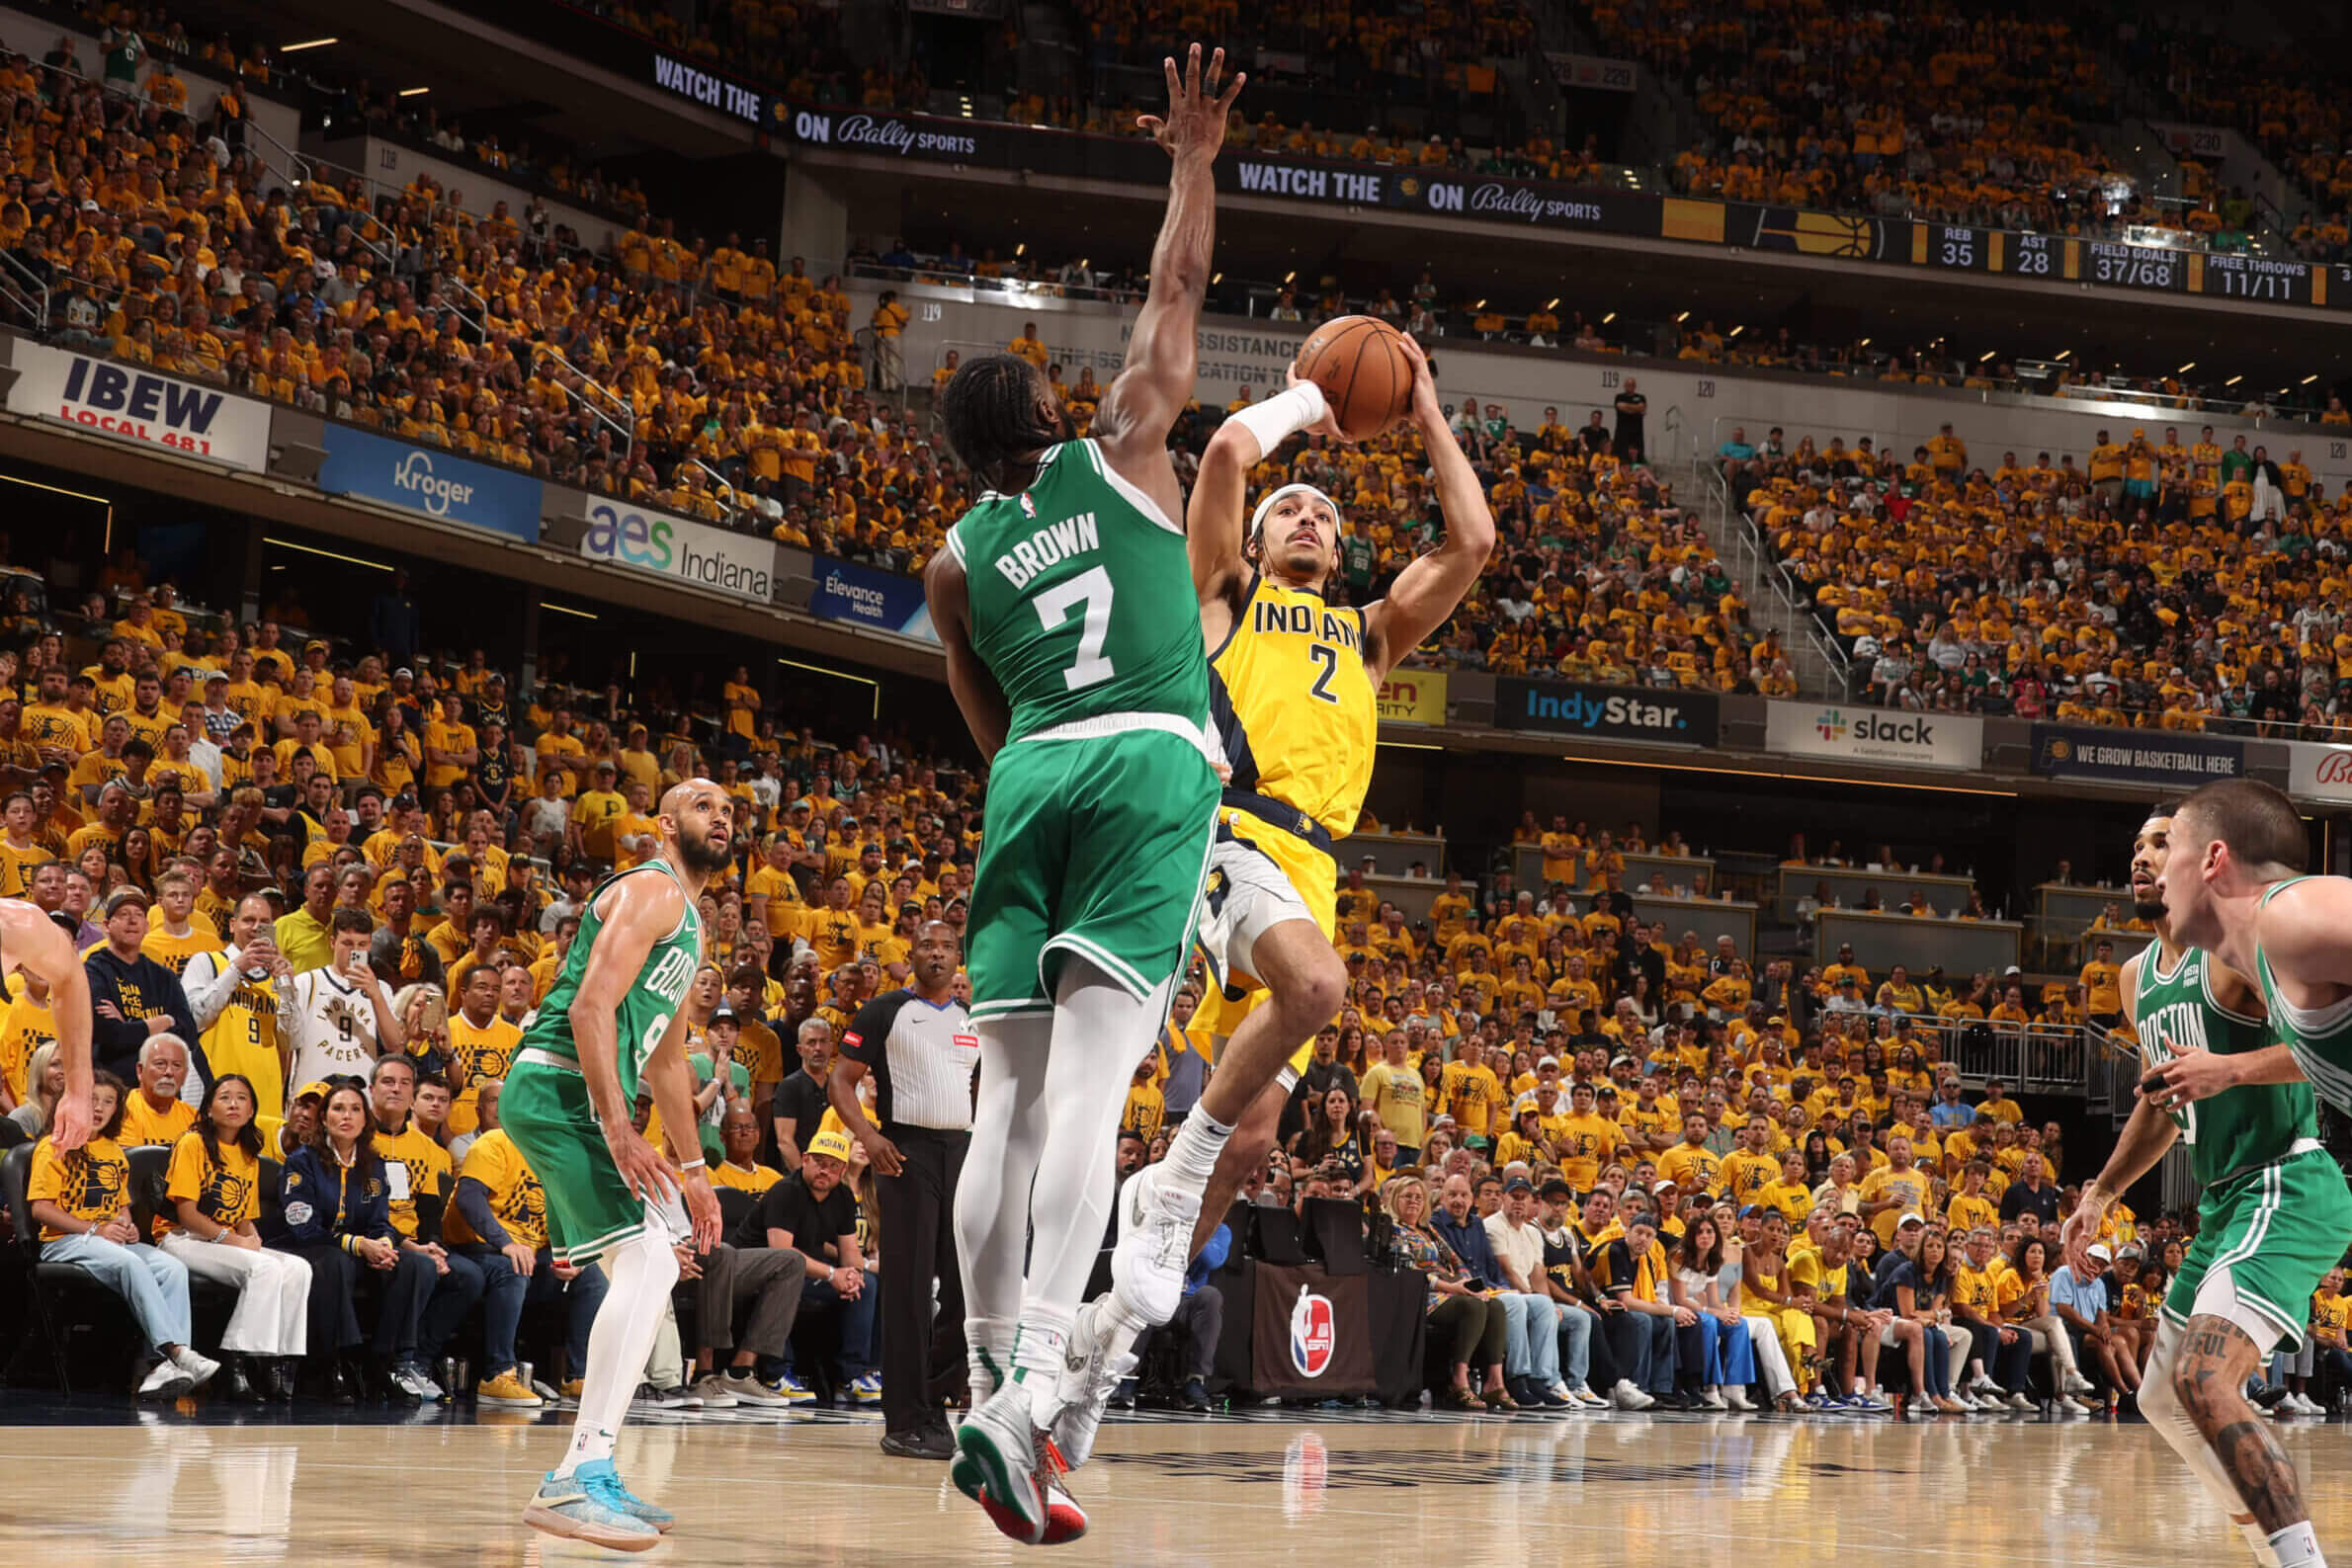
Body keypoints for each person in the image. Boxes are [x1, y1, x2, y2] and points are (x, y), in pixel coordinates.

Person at [1094, 102, 1497, 1482]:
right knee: (1204, 1049)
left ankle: (1127, 1285)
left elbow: (1476, 537)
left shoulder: (1374, 632)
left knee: (1252, 1134)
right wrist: (1311, 400)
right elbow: (1218, 457)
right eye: (1293, 509)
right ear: (1260, 541)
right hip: (1222, 831)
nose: (1308, 515)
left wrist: (1427, 405)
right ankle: (1126, 1233)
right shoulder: (1225, 598)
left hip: (1311, 867)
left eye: (1327, 507)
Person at [928, 45, 1243, 1547]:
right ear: (1046, 408)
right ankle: (1038, 1369)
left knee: (1009, 1103)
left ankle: (983, 1385)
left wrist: (1023, 756)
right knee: (1096, 1093)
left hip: (1029, 770)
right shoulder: (1123, 444)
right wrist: (1191, 157)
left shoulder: (954, 554)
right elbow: (1175, 292)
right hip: (1144, 757)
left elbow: (971, 694)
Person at [2069, 800, 2352, 1568]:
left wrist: (2230, 1067)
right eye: (2134, 844)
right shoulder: (2135, 980)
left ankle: (2298, 1560)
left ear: (2199, 862)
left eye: (2162, 842)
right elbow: (2162, 1105)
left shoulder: (2231, 954)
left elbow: (2317, 1045)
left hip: (2283, 1178)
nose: (2142, 855)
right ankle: (2269, 1540)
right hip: (2224, 1200)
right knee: (2161, 1395)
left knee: (2203, 1376)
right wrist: (2101, 1191)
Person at [504, 781, 731, 1551]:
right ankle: (579, 1468)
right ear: (667, 824)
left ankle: (591, 1465)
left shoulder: (690, 926)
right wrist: (615, 1124)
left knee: (650, 1266)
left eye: (730, 808)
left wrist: (695, 1168)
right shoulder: (651, 888)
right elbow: (588, 1005)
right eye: (704, 805)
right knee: (648, 1263)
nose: (722, 815)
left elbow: (667, 1057)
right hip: (561, 1082)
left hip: (575, 1090)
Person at [830, 920, 979, 1458]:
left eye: (945, 947)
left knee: (965, 1289)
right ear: (910, 954)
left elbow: (979, 1088)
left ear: (957, 958)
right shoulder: (885, 1011)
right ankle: (905, 1420)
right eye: (926, 946)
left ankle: (937, 1399)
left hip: (960, 1153)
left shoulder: (972, 1018)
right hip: (904, 1154)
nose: (936, 954)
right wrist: (869, 1136)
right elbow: (840, 1080)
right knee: (910, 1291)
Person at [27, 1069, 218, 1396]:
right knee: (132, 1264)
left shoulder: (114, 1151)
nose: (99, 1108)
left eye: (108, 1102)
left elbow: (120, 1204)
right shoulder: (53, 1146)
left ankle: (159, 1369)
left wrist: (126, 1224)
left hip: (105, 1239)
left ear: (117, 1109)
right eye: (91, 1100)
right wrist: (95, 1229)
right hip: (63, 1241)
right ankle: (174, 1352)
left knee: (172, 1268)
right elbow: (41, 1210)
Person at [156, 1071, 312, 1400]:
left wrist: (251, 1238)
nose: (233, 1104)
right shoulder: (192, 1143)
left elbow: (244, 1216)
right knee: (265, 1268)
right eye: (225, 1097)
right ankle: (235, 1362)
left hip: (222, 1239)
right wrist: (238, 1242)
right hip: (181, 1238)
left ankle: (277, 1362)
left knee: (298, 1267)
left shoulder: (247, 1152)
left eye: (242, 1098)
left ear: (252, 1109)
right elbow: (187, 1214)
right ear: (209, 1108)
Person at [443, 1125, 611, 1409]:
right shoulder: (495, 1142)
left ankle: (577, 1377)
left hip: (529, 1253)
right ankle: (497, 1374)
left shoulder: (558, 1157)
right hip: (478, 1249)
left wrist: (565, 1253)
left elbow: (565, 1216)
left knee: (591, 1275)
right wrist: (505, 1243)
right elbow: (469, 1198)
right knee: (513, 1266)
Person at [283, 909, 408, 1091]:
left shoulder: (381, 989)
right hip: (312, 1092)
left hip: (361, 1094)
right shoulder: (306, 982)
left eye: (362, 944)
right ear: (333, 942)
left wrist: (376, 995)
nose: (355, 951)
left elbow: (395, 1044)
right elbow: (288, 1042)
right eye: (348, 943)